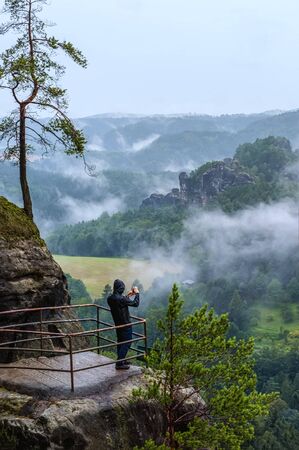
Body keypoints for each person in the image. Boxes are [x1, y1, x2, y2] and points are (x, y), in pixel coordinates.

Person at [107, 279, 140, 370]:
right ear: (120, 288)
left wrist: (128, 296)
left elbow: (120, 302)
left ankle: (121, 360)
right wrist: (137, 293)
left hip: (118, 324)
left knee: (120, 342)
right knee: (127, 343)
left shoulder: (110, 298)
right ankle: (119, 363)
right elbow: (135, 303)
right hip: (125, 324)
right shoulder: (121, 299)